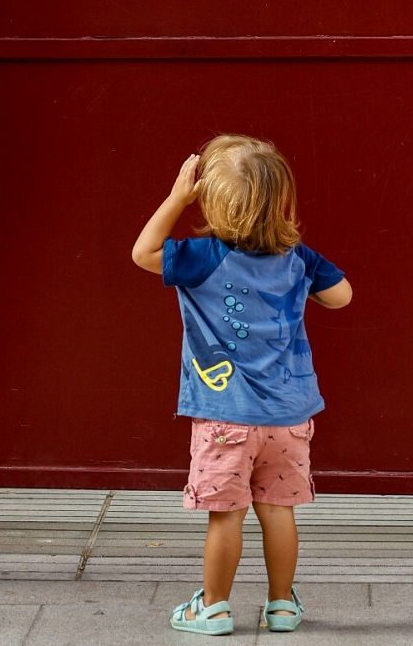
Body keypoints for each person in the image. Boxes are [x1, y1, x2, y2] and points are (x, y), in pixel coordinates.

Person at [131, 135, 353, 635]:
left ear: (210, 200)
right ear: (282, 200)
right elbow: (342, 297)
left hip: (224, 416)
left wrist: (174, 198)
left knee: (225, 515)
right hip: (288, 420)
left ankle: (212, 607)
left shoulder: (201, 257)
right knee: (278, 510)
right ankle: (281, 606)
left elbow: (143, 252)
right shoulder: (299, 259)